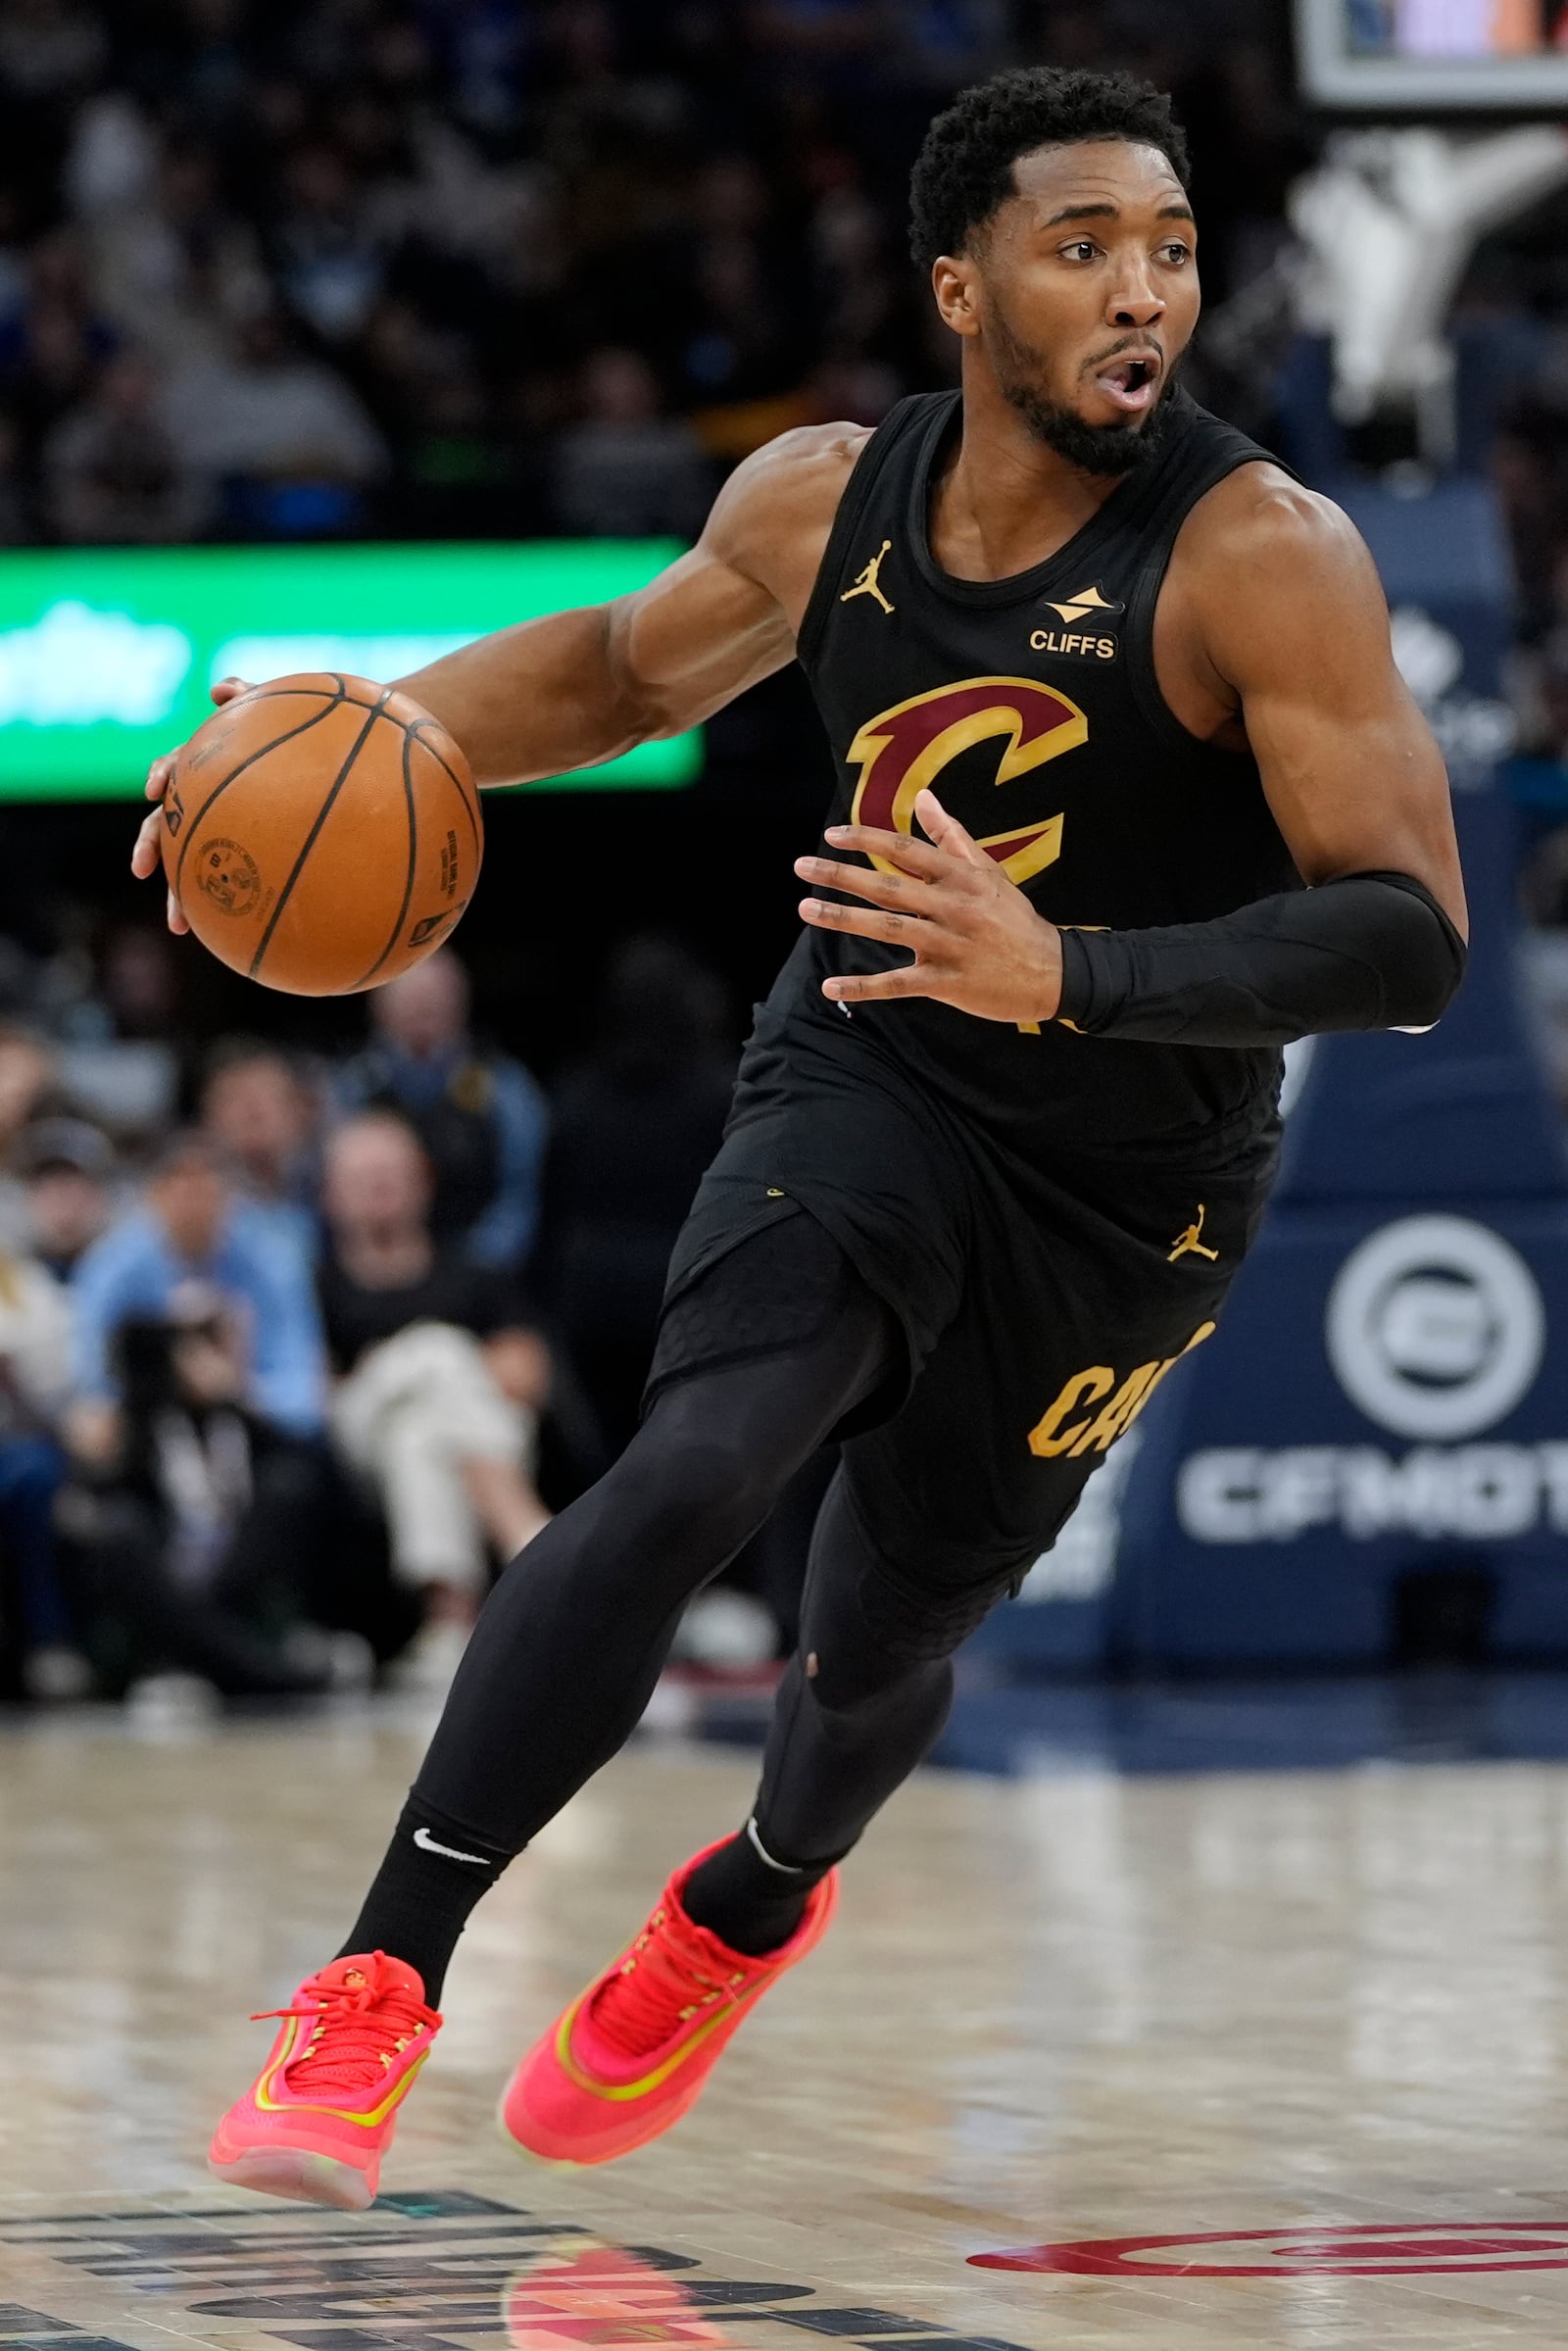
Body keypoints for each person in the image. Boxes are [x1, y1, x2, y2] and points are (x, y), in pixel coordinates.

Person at [135, 65, 1468, 2209]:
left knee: (874, 1645)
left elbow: (1406, 935)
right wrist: (356, 724)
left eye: (1170, 249)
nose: (1143, 291)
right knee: (692, 1459)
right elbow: (610, 672)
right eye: (1081, 248)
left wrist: (1069, 973)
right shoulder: (823, 501)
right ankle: (374, 1983)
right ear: (959, 287)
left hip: (1127, 1167)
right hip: (866, 1064)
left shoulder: (1258, 555)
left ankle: (747, 1898)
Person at [317, 1110, 551, 1688]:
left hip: (447, 1438)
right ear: (331, 1195)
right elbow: (313, 1391)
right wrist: (443, 1362)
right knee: (436, 1349)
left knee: (419, 1431)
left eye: (390, 1175)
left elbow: (526, 1376)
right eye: (362, 1178)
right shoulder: (316, 1283)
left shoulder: (473, 1275)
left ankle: (450, 1621)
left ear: (422, 1183)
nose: (378, 1189)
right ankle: (530, 1537)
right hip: (355, 1447)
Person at [69, 1128, 325, 1456]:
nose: (193, 1202)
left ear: (232, 1195)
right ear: (153, 1195)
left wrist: (237, 1388)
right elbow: (91, 1377)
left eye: (206, 1186)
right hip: (147, 1425)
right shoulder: (112, 1267)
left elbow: (303, 1390)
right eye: (179, 1186)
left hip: (251, 1423)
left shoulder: (271, 1264)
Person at [331, 950, 548, 1273]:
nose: (423, 1008)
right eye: (411, 997)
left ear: (461, 1004)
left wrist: (471, 1271)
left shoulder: (504, 1088)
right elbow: (329, 1193)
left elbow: (520, 1197)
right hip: (372, 1272)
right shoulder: (351, 1088)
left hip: (476, 1269)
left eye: (436, 997)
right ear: (379, 1007)